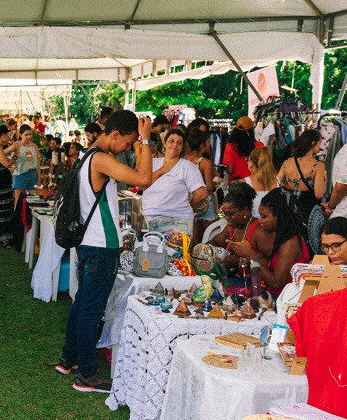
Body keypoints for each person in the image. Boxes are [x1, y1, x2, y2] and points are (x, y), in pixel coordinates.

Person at [55, 111, 154, 393]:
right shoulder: (101, 158)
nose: (128, 148)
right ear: (114, 134)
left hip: (88, 243)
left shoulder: (87, 156)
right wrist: (145, 142)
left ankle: (69, 358)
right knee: (91, 309)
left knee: (82, 303)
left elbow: (142, 178)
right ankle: (86, 374)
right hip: (101, 245)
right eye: (128, 142)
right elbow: (143, 180)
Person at [227, 187, 311, 295]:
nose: (260, 220)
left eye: (264, 217)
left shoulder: (291, 242)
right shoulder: (282, 236)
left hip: (282, 299)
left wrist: (251, 256)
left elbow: (276, 283)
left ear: (280, 216)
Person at [141, 128, 207, 238]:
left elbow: (201, 194)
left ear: (182, 147)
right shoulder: (153, 163)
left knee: (176, 255)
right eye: (171, 141)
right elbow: (140, 184)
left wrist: (184, 208)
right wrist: (163, 169)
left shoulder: (187, 166)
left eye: (179, 143)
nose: (175, 145)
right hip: (149, 220)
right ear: (164, 143)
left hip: (177, 222)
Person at [277, 129, 327, 252]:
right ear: (313, 143)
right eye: (319, 144)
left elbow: (277, 183)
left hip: (289, 208)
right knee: (310, 243)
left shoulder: (287, 162)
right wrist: (324, 179)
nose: (319, 147)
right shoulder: (318, 166)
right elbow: (319, 193)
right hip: (308, 210)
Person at [209, 182, 258, 273]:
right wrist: (211, 251)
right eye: (225, 214)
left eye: (230, 214)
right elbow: (214, 242)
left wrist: (239, 261)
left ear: (245, 211)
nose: (227, 218)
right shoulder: (232, 227)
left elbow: (265, 263)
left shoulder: (258, 230)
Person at [184, 130, 216, 242]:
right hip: (203, 203)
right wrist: (216, 184)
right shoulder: (205, 163)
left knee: (191, 235)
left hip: (187, 201)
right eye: (207, 142)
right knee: (209, 235)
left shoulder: (182, 160)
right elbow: (209, 187)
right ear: (202, 145)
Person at [244, 147, 279, 218]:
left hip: (253, 226)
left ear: (251, 163)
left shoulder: (244, 183)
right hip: (274, 226)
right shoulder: (278, 181)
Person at [12, 124, 41, 207]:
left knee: (32, 200)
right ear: (21, 135)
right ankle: (17, 219)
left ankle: (29, 219)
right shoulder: (17, 145)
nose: (28, 137)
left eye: (30, 134)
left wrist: (39, 179)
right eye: (26, 135)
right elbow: (5, 154)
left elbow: (38, 163)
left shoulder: (34, 146)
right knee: (18, 201)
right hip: (20, 175)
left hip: (32, 176)